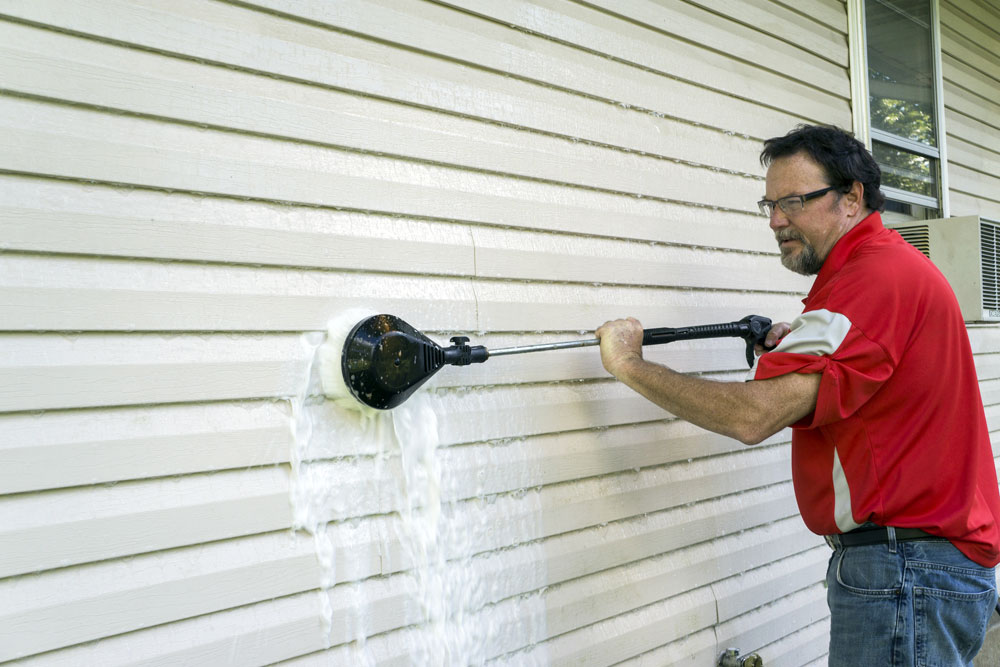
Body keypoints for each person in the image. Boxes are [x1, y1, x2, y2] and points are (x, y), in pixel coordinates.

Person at [596, 124, 1000, 666]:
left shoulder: (869, 281)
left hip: (905, 567)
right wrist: (793, 351)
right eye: (769, 203)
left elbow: (752, 417)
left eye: (793, 201)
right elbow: (862, 382)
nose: (775, 220)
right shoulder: (884, 271)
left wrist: (630, 364)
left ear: (851, 198)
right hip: (921, 566)